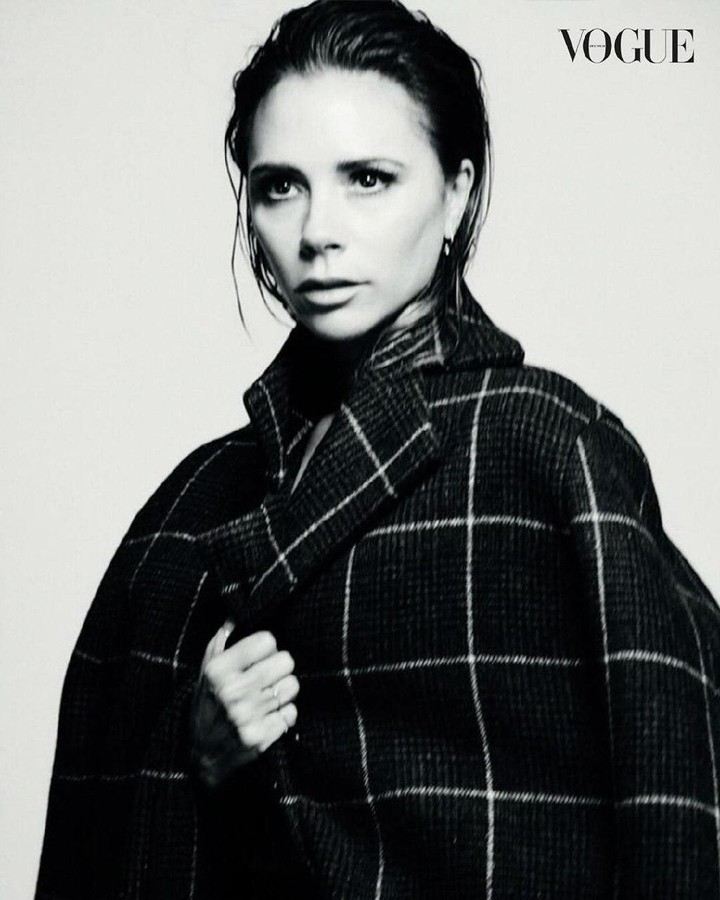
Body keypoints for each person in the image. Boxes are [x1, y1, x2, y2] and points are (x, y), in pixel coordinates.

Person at [36, 1, 720, 898]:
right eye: (281, 186)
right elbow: (86, 842)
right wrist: (193, 752)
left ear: (457, 192)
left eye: (368, 179)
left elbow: (681, 792)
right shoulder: (184, 510)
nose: (318, 231)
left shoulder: (545, 446)